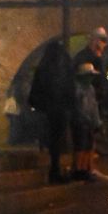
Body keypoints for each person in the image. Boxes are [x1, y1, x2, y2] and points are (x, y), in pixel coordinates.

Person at [29, 40, 76, 183]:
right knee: (57, 140)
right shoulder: (64, 67)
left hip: (48, 110)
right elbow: (70, 88)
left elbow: (35, 91)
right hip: (60, 110)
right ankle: (55, 170)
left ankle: (55, 169)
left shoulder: (44, 67)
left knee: (52, 140)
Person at [71, 28, 108, 180]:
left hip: (91, 108)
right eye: (101, 40)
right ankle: (82, 169)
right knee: (82, 143)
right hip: (83, 115)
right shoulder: (84, 58)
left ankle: (87, 168)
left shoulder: (94, 58)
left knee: (88, 142)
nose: (103, 44)